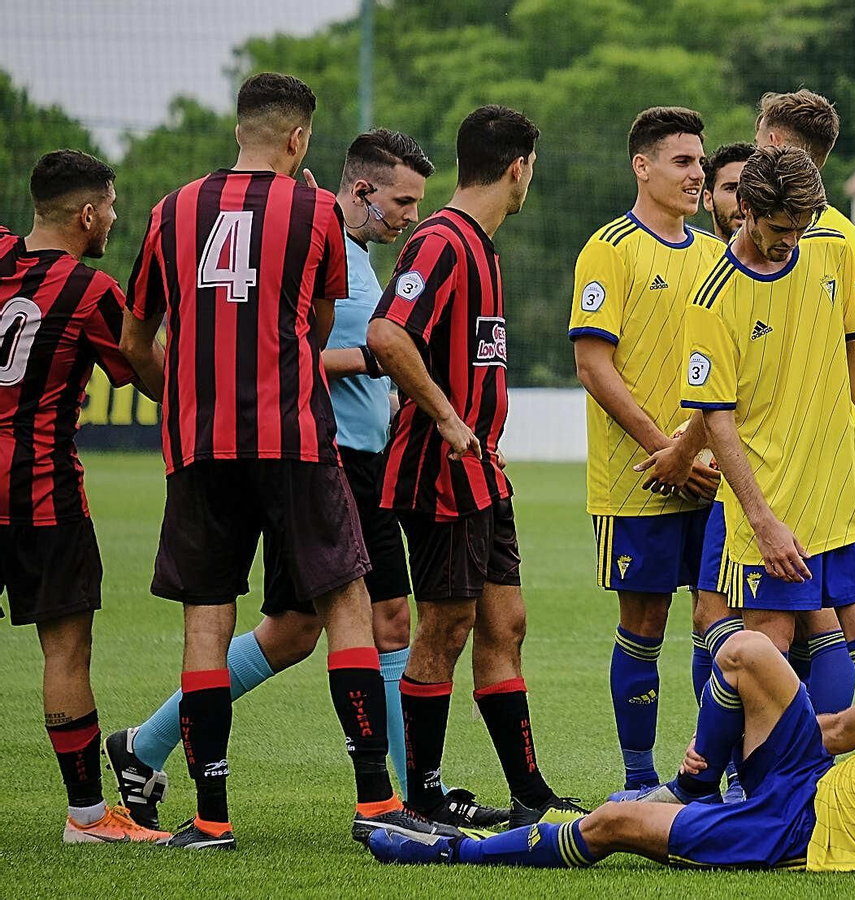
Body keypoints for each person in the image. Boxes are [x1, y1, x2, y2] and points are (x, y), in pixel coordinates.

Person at [107, 128, 504, 829]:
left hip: (346, 454)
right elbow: (294, 357)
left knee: (290, 632)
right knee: (381, 621)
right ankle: (408, 795)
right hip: (330, 458)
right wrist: (380, 363)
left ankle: (145, 745)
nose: (412, 215)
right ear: (360, 191)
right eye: (403, 201)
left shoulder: (351, 255)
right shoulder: (322, 247)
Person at [365, 600, 855, 877]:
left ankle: (447, 854)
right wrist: (743, 741)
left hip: (796, 838)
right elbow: (842, 730)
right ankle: (693, 787)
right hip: (806, 779)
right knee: (746, 648)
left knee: (613, 822)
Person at [636, 146, 855, 806]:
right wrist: (759, 517)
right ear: (744, 212)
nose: (794, 240)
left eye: (803, 225)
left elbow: (852, 353)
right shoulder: (714, 297)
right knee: (764, 654)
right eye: (782, 228)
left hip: (841, 489)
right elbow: (715, 418)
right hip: (772, 502)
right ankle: (714, 787)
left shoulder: (830, 249)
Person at [367, 105, 582, 827]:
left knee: (505, 623)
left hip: (483, 473)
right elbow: (387, 334)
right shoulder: (442, 243)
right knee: (447, 627)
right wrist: (449, 416)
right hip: (440, 469)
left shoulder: (480, 247)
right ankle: (420, 798)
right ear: (518, 167)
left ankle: (529, 794)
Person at [0, 150, 165, 843]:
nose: (116, 219)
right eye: (113, 206)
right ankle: (90, 819)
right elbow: (151, 377)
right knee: (65, 654)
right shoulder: (89, 290)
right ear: (87, 214)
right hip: (41, 495)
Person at [568, 107, 724, 793]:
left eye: (700, 163)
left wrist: (701, 453)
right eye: (683, 162)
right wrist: (669, 450)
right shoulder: (609, 248)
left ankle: (705, 772)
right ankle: (637, 779)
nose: (698, 175)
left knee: (716, 619)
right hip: (639, 477)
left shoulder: (716, 255)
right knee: (646, 620)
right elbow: (594, 365)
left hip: (715, 474)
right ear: (643, 166)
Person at [745, 88, 855, 710]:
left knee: (779, 628)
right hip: (819, 465)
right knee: (822, 618)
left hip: (780, 470)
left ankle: (755, 773)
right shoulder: (835, 239)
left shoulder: (822, 244)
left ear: (774, 144)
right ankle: (825, 767)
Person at [701, 142, 754, 242]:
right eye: (731, 188)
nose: (743, 198)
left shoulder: (790, 256)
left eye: (752, 188)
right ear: (708, 199)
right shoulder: (691, 256)